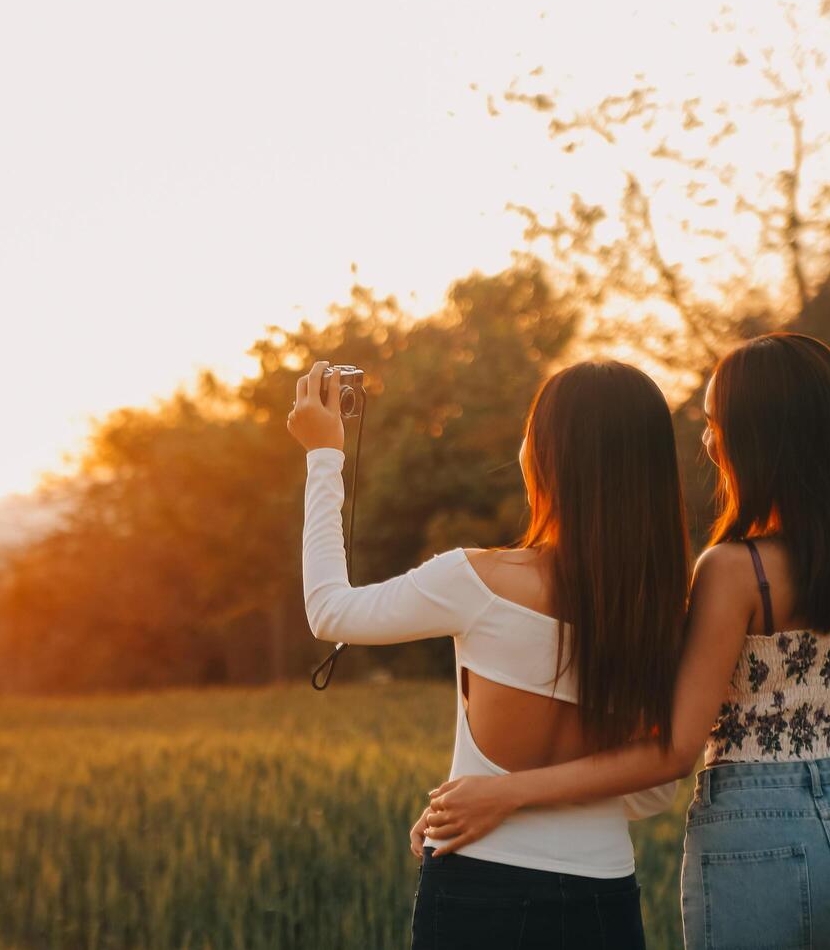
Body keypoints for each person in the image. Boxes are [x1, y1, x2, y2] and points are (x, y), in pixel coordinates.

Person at [419, 333, 830, 948]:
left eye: (717, 426)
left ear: (761, 440)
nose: (709, 443)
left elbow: (672, 751)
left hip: (760, 830)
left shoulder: (732, 570)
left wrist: (502, 793)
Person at [287, 358, 689, 949]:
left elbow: (329, 611)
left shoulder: (477, 580)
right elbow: (651, 791)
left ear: (549, 458)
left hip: (479, 888)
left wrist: (324, 456)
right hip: (604, 897)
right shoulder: (666, 613)